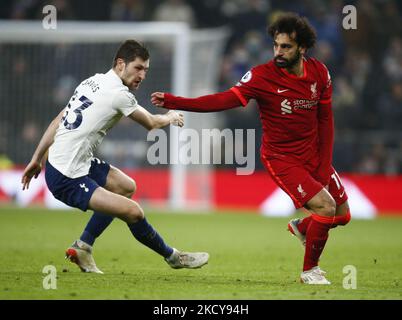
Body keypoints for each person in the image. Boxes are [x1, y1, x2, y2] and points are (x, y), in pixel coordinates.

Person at [151, 13, 351, 285]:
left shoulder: (320, 73)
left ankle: (301, 227)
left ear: (302, 48)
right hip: (282, 158)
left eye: (286, 47)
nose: (278, 52)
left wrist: (324, 166)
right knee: (326, 208)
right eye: (276, 45)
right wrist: (176, 101)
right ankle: (309, 272)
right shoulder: (261, 76)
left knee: (343, 216)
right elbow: (222, 100)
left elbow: (326, 121)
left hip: (314, 154)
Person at [21, 40, 209, 274]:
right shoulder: (119, 94)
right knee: (134, 211)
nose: (142, 75)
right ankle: (173, 256)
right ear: (121, 64)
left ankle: (83, 247)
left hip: (71, 162)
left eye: (146, 70)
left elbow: (59, 120)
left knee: (125, 186)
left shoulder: (91, 81)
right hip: (66, 176)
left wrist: (37, 158)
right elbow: (151, 123)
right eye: (138, 68)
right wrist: (170, 116)